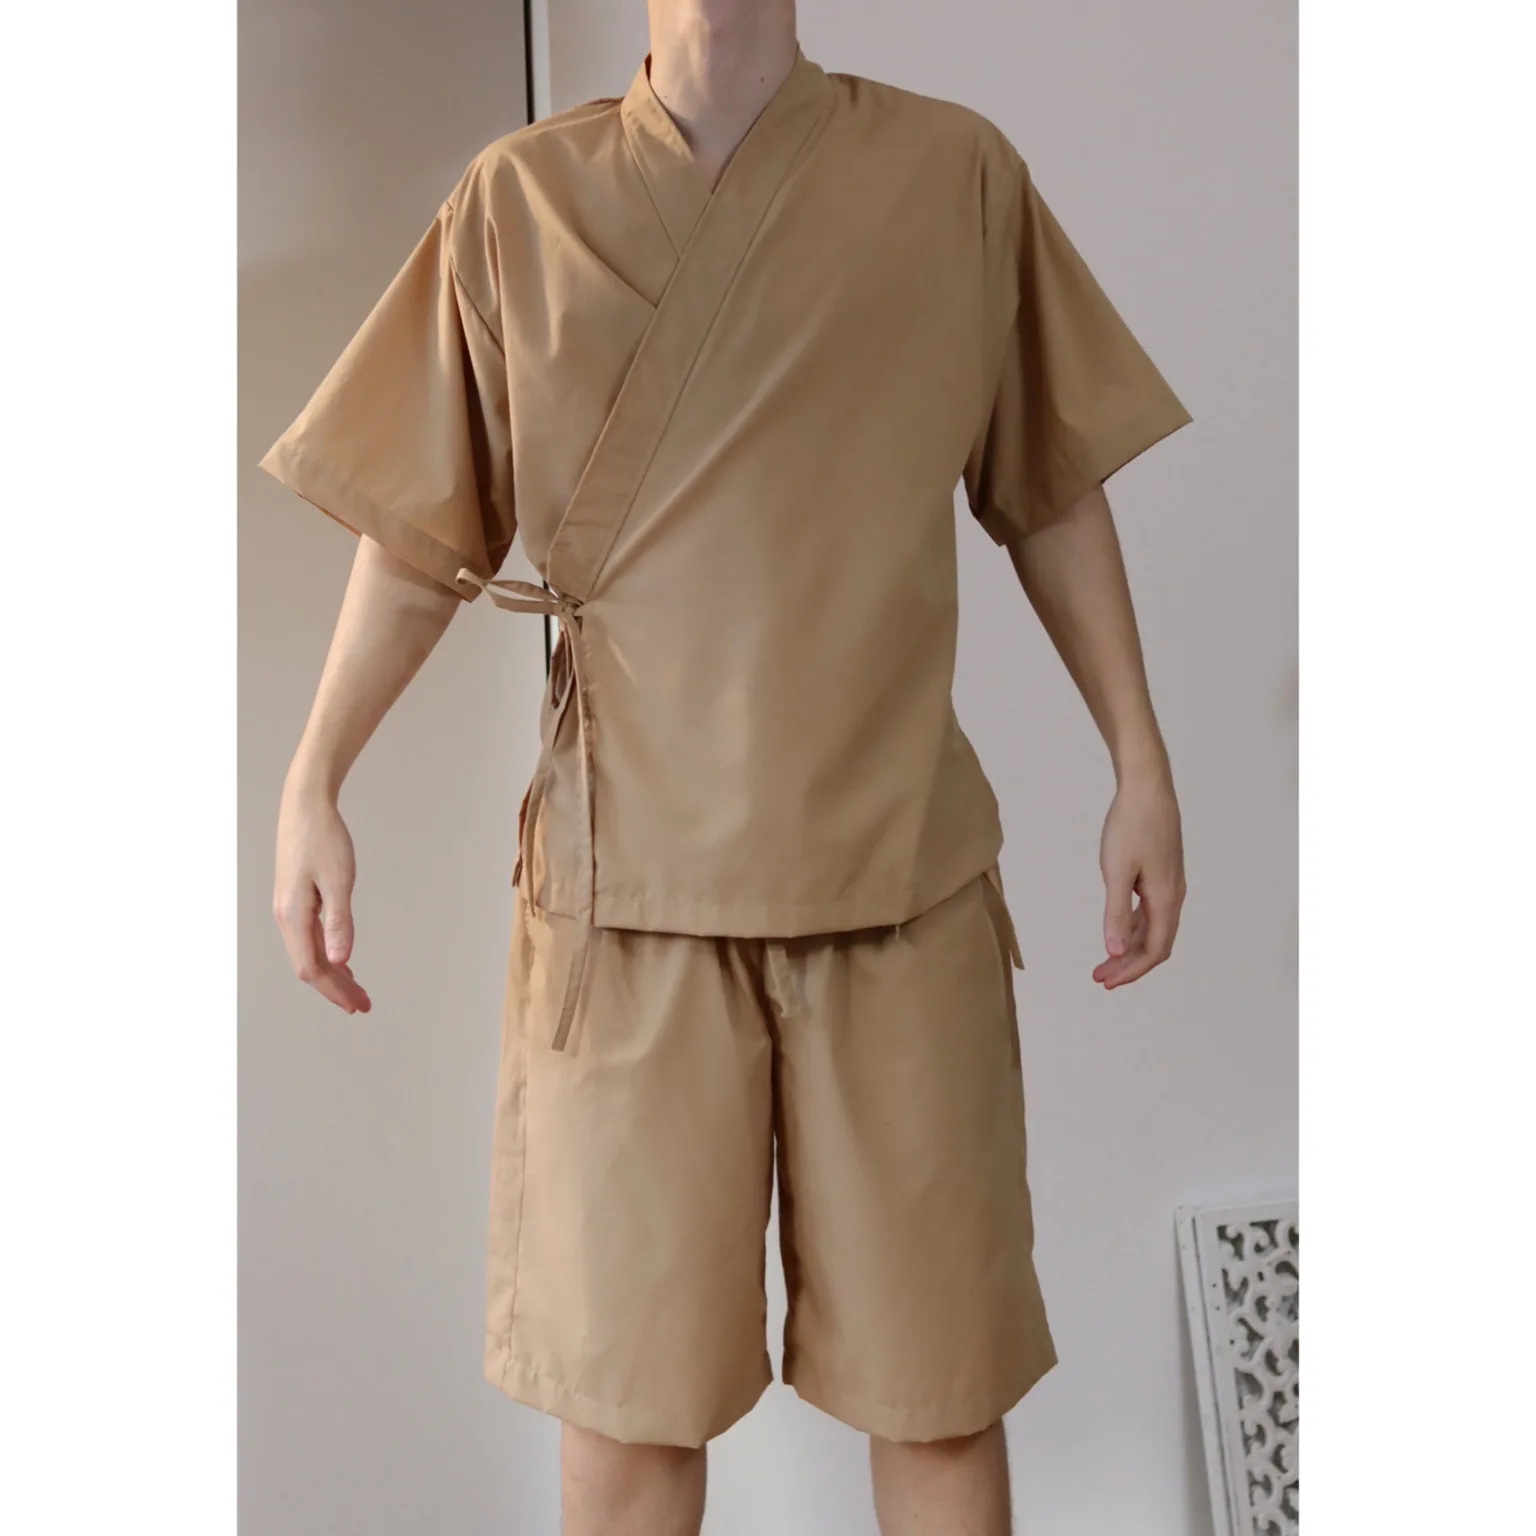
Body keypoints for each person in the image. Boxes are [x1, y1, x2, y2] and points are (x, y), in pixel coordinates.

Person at [262, 1, 1190, 1531]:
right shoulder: (520, 203)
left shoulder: (954, 176)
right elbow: (420, 540)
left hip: (900, 886)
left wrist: (1138, 759)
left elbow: (1052, 487)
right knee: (628, 1433)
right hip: (622, 912)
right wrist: (315, 778)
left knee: (941, 1404)